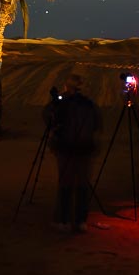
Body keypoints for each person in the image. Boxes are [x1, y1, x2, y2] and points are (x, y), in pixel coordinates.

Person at [41, 72, 102, 233]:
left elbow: (48, 118)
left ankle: (63, 220)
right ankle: (81, 220)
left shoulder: (62, 103)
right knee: (82, 184)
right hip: (85, 148)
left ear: (67, 86)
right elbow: (97, 124)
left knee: (66, 184)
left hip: (66, 148)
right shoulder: (89, 104)